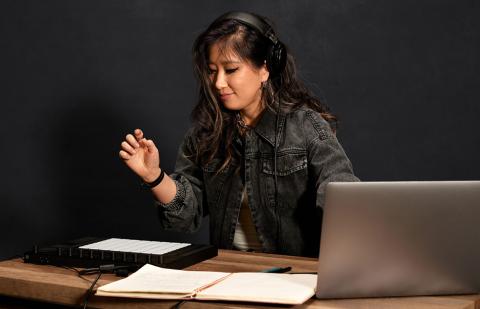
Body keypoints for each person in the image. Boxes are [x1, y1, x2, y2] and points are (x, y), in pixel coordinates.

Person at [119, 12, 359, 257]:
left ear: (265, 69)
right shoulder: (204, 135)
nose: (218, 83)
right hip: (229, 273)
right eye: (213, 71)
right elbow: (184, 218)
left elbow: (343, 196)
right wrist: (154, 177)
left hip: (295, 279)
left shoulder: (306, 126)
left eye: (231, 69)